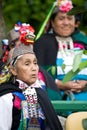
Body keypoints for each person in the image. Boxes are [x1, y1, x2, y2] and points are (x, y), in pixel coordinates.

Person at [0, 43, 63, 130]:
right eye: (27, 64)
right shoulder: (7, 97)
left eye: (35, 63)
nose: (34, 68)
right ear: (13, 70)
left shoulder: (40, 93)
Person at [34, 0, 87, 100]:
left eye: (70, 18)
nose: (66, 23)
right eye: (61, 19)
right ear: (52, 23)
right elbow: (37, 73)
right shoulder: (42, 43)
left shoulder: (84, 41)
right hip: (57, 96)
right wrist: (59, 84)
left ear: (76, 23)